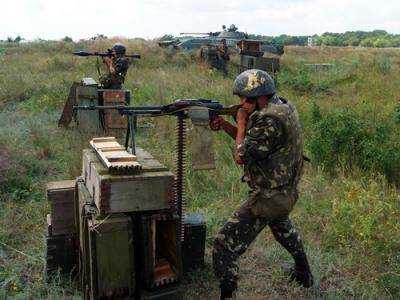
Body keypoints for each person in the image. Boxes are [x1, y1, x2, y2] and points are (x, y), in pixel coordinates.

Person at [210, 69, 313, 299]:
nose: (241, 104)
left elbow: (241, 156)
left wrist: (240, 121)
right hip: (284, 190)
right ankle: (304, 274)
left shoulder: (268, 119)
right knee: (283, 229)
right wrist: (227, 127)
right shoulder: (283, 106)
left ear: (261, 98)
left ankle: (228, 294)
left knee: (224, 244)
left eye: (246, 100)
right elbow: (254, 144)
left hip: (270, 196)